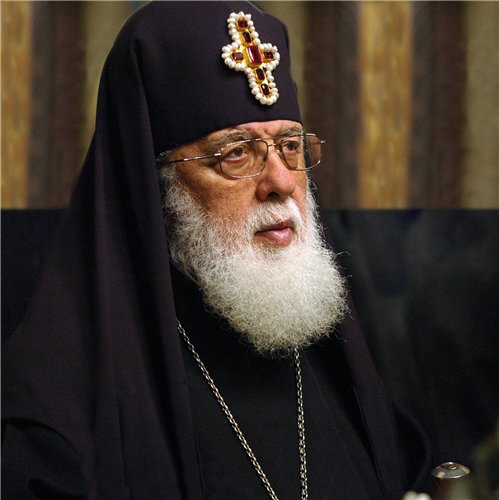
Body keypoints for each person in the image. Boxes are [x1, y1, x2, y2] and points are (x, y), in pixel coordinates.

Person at [2, 2, 432, 498]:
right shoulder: (57, 409)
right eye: (237, 153)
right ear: (158, 191)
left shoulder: (333, 342)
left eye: (290, 146)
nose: (281, 182)